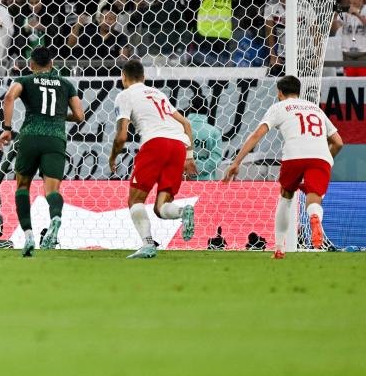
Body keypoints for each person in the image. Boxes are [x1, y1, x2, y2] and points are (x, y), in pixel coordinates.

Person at [224, 75, 343, 257]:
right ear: (299, 92)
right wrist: (327, 160)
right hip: (320, 157)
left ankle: (279, 249)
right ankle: (314, 217)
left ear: (280, 93)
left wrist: (236, 162)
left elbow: (256, 135)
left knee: (286, 197)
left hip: (294, 156)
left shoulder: (279, 107)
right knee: (314, 196)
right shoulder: (315, 109)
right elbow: (338, 142)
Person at [0, 46, 85, 257]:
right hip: (55, 139)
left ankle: (28, 235)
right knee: (52, 190)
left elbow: (8, 97)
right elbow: (79, 116)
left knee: (22, 186)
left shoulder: (25, 80)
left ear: (31, 64)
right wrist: (57, 115)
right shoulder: (66, 84)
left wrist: (7, 128)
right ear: (52, 64)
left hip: (30, 137)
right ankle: (56, 217)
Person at [109, 59, 198, 259]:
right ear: (144, 77)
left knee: (135, 200)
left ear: (123, 77)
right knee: (160, 207)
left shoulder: (124, 95)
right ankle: (182, 211)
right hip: (178, 146)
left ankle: (148, 244)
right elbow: (186, 123)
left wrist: (113, 157)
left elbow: (121, 136)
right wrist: (189, 156)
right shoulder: (158, 94)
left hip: (155, 144)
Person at [186, 94, 223, 181]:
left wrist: (187, 169)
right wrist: (198, 169)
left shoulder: (180, 128)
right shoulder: (214, 132)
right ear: (207, 110)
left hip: (183, 180)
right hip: (206, 182)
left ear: (189, 108)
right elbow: (216, 158)